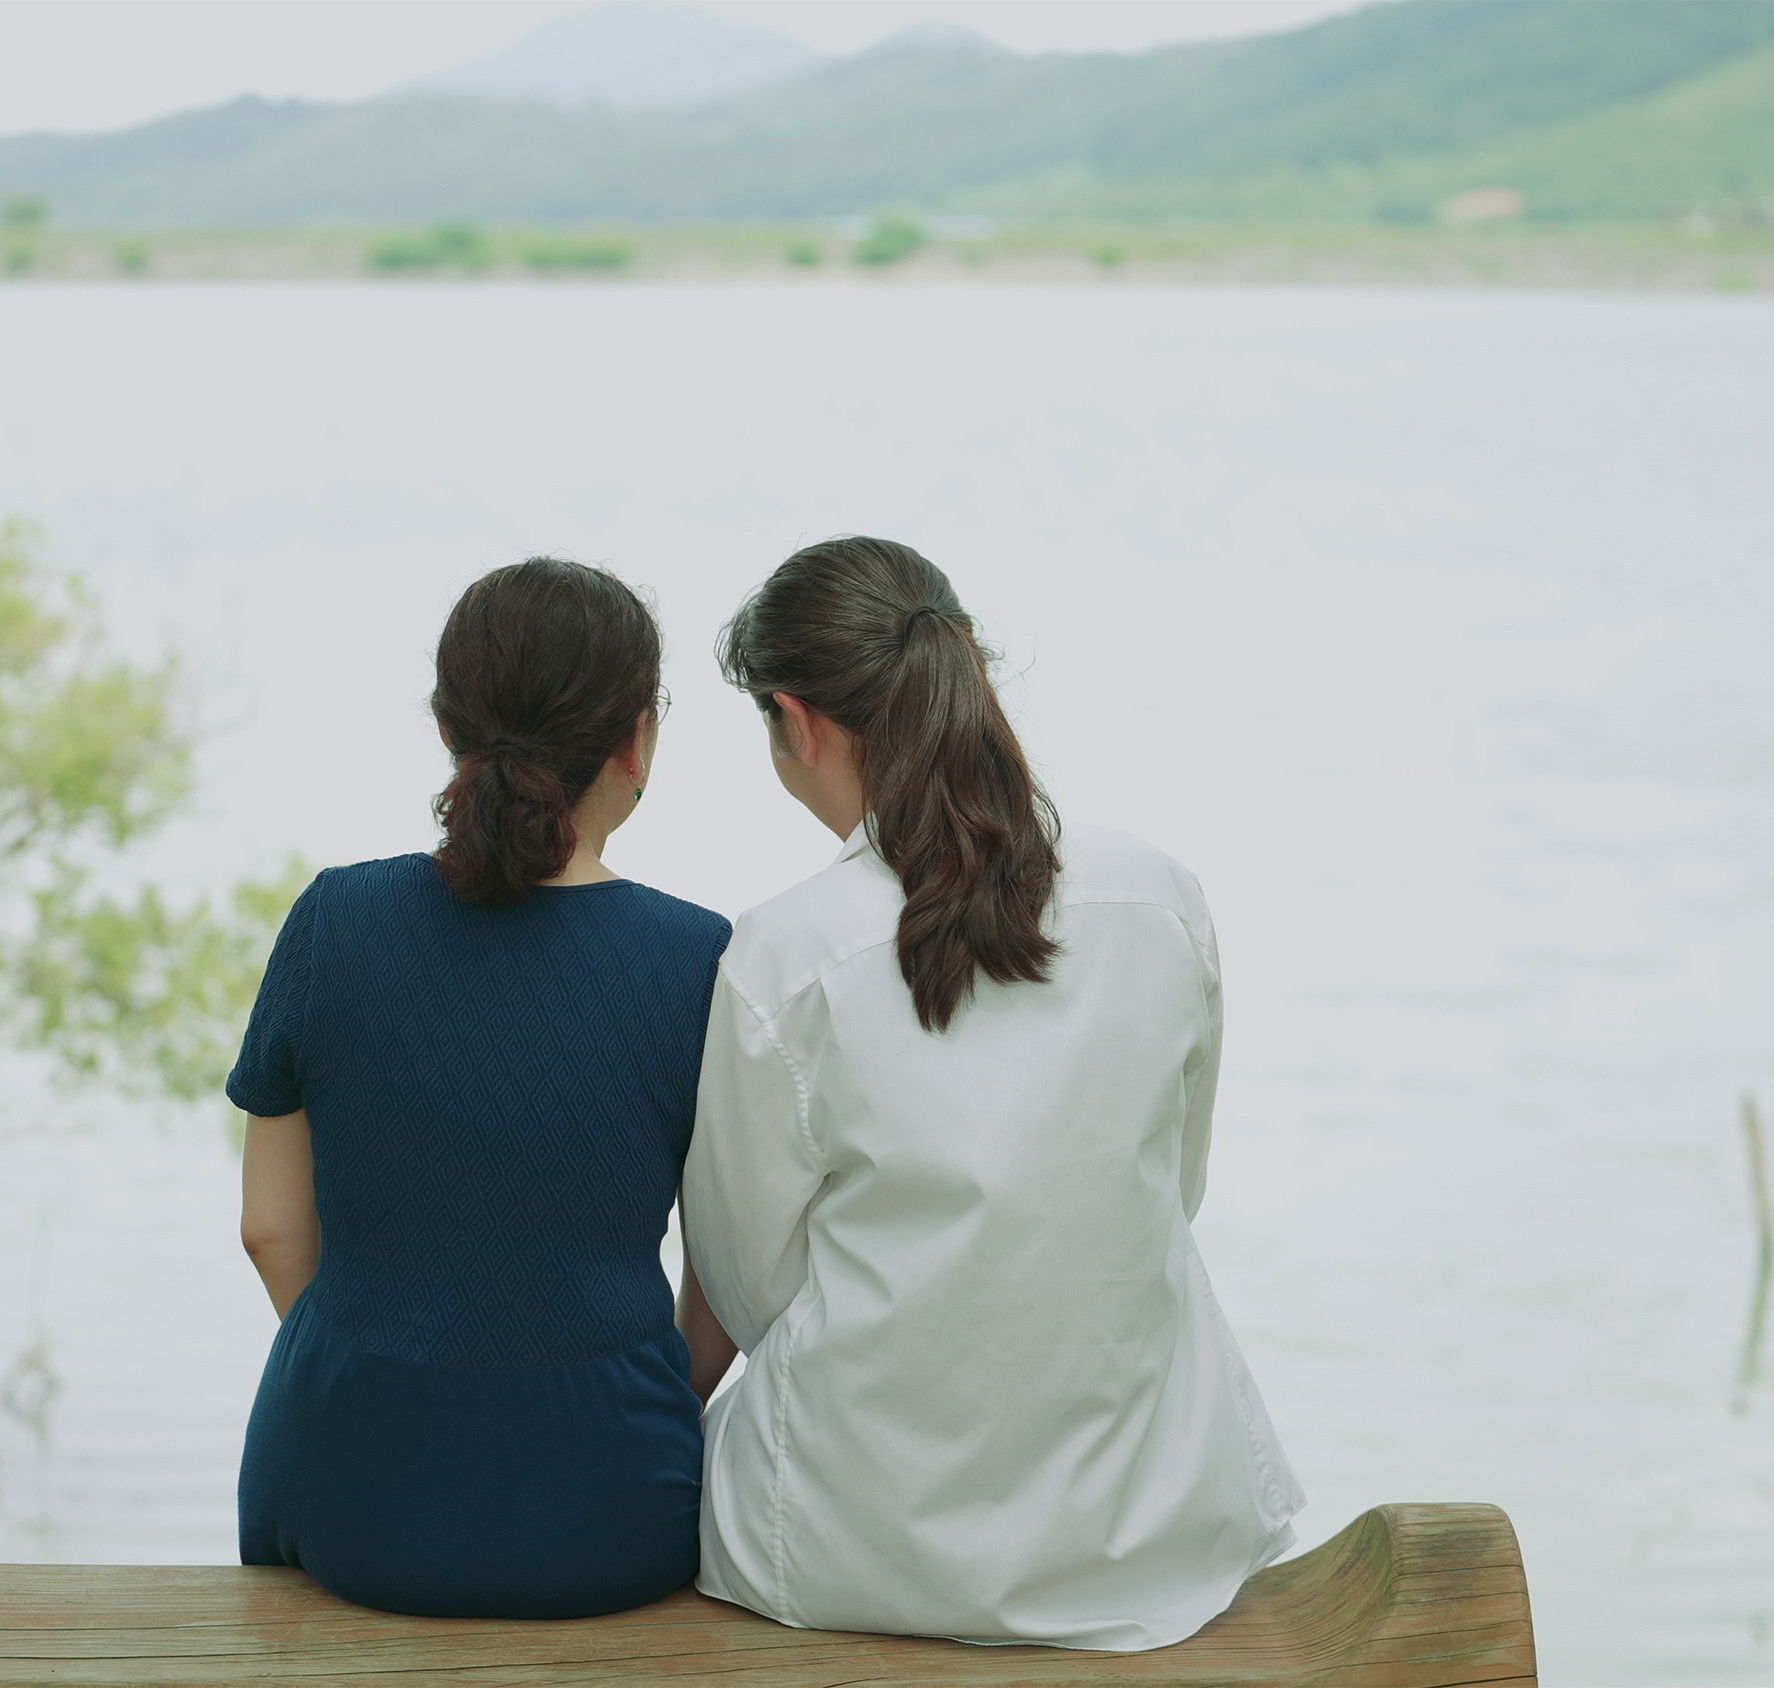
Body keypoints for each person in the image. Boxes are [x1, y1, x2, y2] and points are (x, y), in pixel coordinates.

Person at [680, 536, 1303, 1652]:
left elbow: (748, 1283)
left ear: (797, 721)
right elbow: (1172, 1192)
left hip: (850, 1549)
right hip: (1153, 1537)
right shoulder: (1160, 896)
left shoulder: (786, 953)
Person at [229, 557, 730, 1619]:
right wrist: (612, 1404)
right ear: (636, 739)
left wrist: (384, 1382)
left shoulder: (333, 922)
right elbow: (728, 1283)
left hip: (341, 1499)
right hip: (612, 1511)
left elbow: (269, 1231)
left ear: (450, 725)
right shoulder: (698, 958)